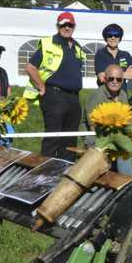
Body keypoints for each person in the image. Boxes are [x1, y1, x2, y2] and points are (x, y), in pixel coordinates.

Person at [25, 11, 85, 160]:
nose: (67, 28)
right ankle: (44, 173)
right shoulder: (48, 43)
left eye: (70, 25)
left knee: (70, 138)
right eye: (63, 25)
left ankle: (66, 172)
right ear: (58, 26)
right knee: (53, 136)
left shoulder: (77, 47)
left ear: (74, 27)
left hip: (74, 98)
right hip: (55, 95)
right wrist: (41, 86)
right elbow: (30, 67)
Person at [85, 64, 132, 175]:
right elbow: (92, 125)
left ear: (122, 81)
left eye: (118, 79)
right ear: (105, 79)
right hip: (97, 135)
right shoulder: (97, 95)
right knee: (122, 147)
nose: (115, 81)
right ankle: (128, 183)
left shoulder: (123, 94)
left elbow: (127, 118)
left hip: (117, 133)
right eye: (111, 78)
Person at [94, 23, 132, 87]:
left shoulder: (125, 55)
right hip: (106, 94)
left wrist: (110, 75)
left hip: (122, 93)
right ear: (105, 38)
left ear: (120, 38)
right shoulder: (100, 54)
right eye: (110, 35)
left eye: (116, 35)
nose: (113, 38)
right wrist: (125, 74)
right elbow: (102, 78)